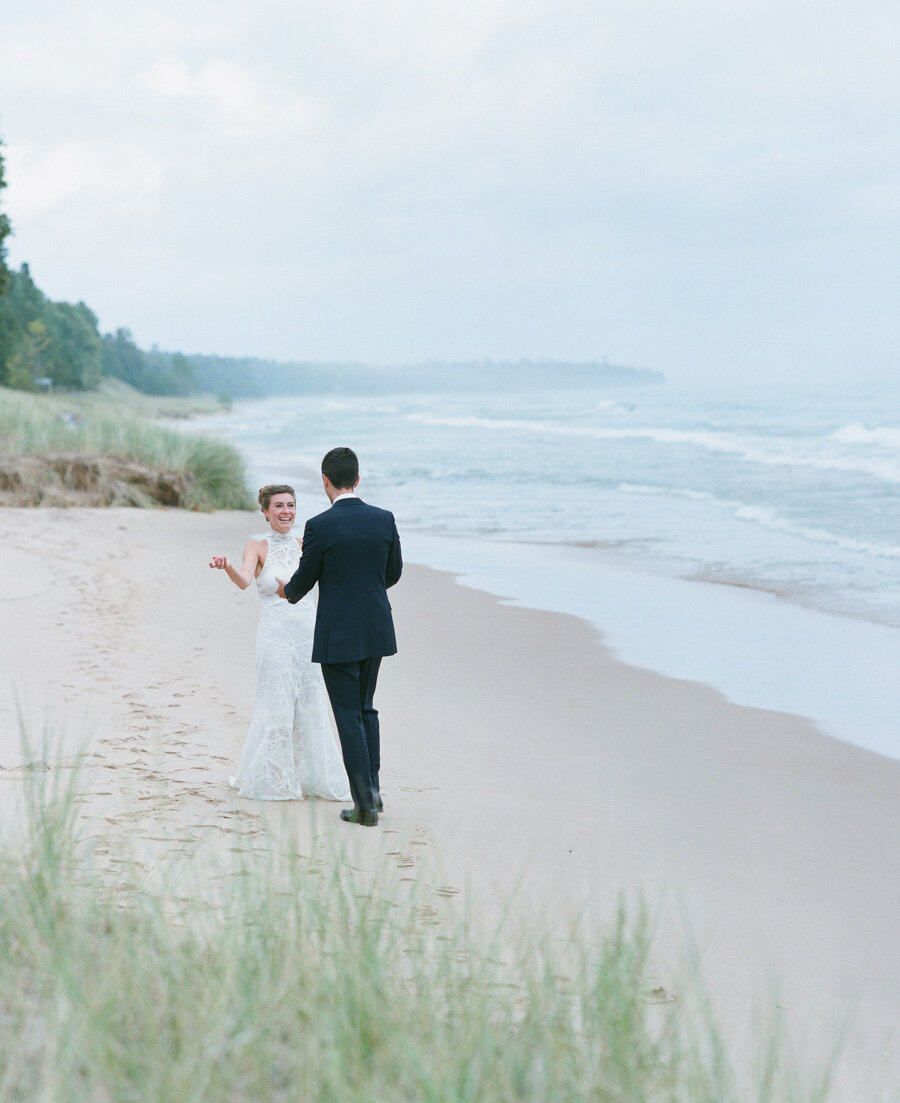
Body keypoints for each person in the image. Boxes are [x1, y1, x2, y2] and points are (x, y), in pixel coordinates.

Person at [276, 448, 402, 827]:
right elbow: (392, 573)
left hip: (338, 634)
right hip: (376, 627)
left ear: (325, 480)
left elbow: (303, 581)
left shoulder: (319, 526)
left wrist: (286, 590)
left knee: (348, 715)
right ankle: (374, 793)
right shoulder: (384, 519)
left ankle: (363, 807)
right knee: (366, 709)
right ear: (358, 479)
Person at [209, 484, 351, 803]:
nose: (286, 511)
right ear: (265, 512)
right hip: (274, 635)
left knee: (309, 705)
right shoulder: (257, 547)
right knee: (276, 703)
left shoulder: (306, 545)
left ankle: (305, 776)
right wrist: (227, 566)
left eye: (290, 505)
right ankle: (273, 778)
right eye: (278, 506)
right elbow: (246, 580)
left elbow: (328, 582)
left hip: (306, 634)